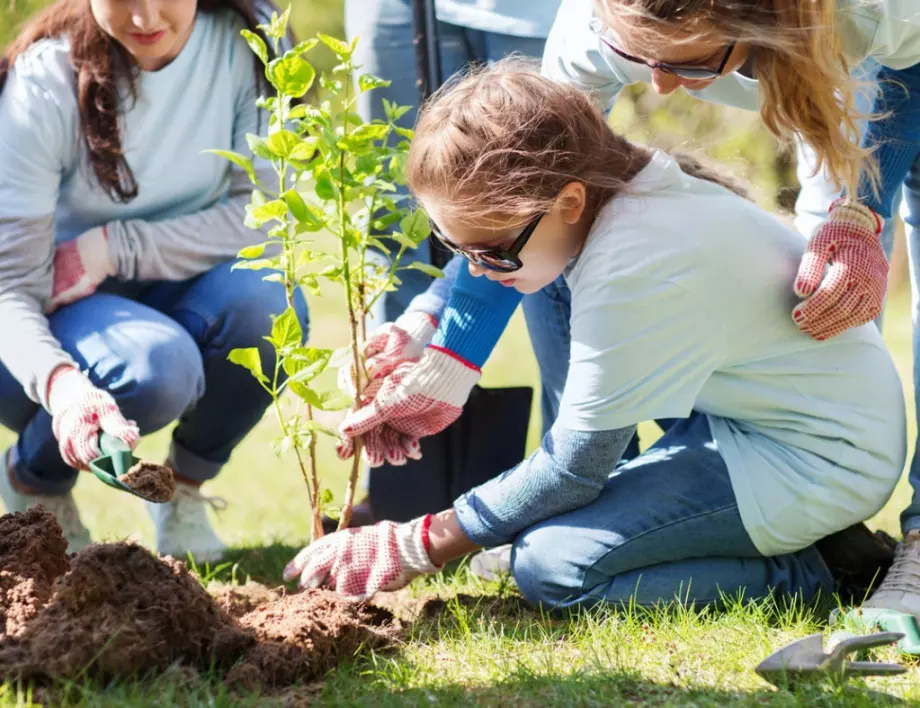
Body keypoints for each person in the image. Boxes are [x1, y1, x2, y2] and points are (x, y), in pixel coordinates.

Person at [335, 0, 920, 614]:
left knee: (552, 569)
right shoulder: (594, 47)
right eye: (638, 59)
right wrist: (443, 339)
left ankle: (826, 570)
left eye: (688, 63)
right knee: (546, 279)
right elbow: (508, 199)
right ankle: (625, 521)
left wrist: (416, 544)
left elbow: (571, 468)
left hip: (814, 454)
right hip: (760, 429)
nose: (660, 85)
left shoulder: (628, 266)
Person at [0, 0, 307, 558]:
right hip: (53, 309)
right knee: (156, 369)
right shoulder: (43, 82)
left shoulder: (253, 43)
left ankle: (182, 492)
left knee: (272, 307)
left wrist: (115, 248)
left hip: (176, 279)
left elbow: (266, 215)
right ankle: (32, 480)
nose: (145, 17)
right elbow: (8, 289)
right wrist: (64, 388)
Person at [333, 0, 564, 530]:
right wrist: (428, 319)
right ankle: (401, 485)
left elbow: (525, 224)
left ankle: (574, 464)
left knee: (540, 209)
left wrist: (454, 354)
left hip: (530, 13)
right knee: (400, 214)